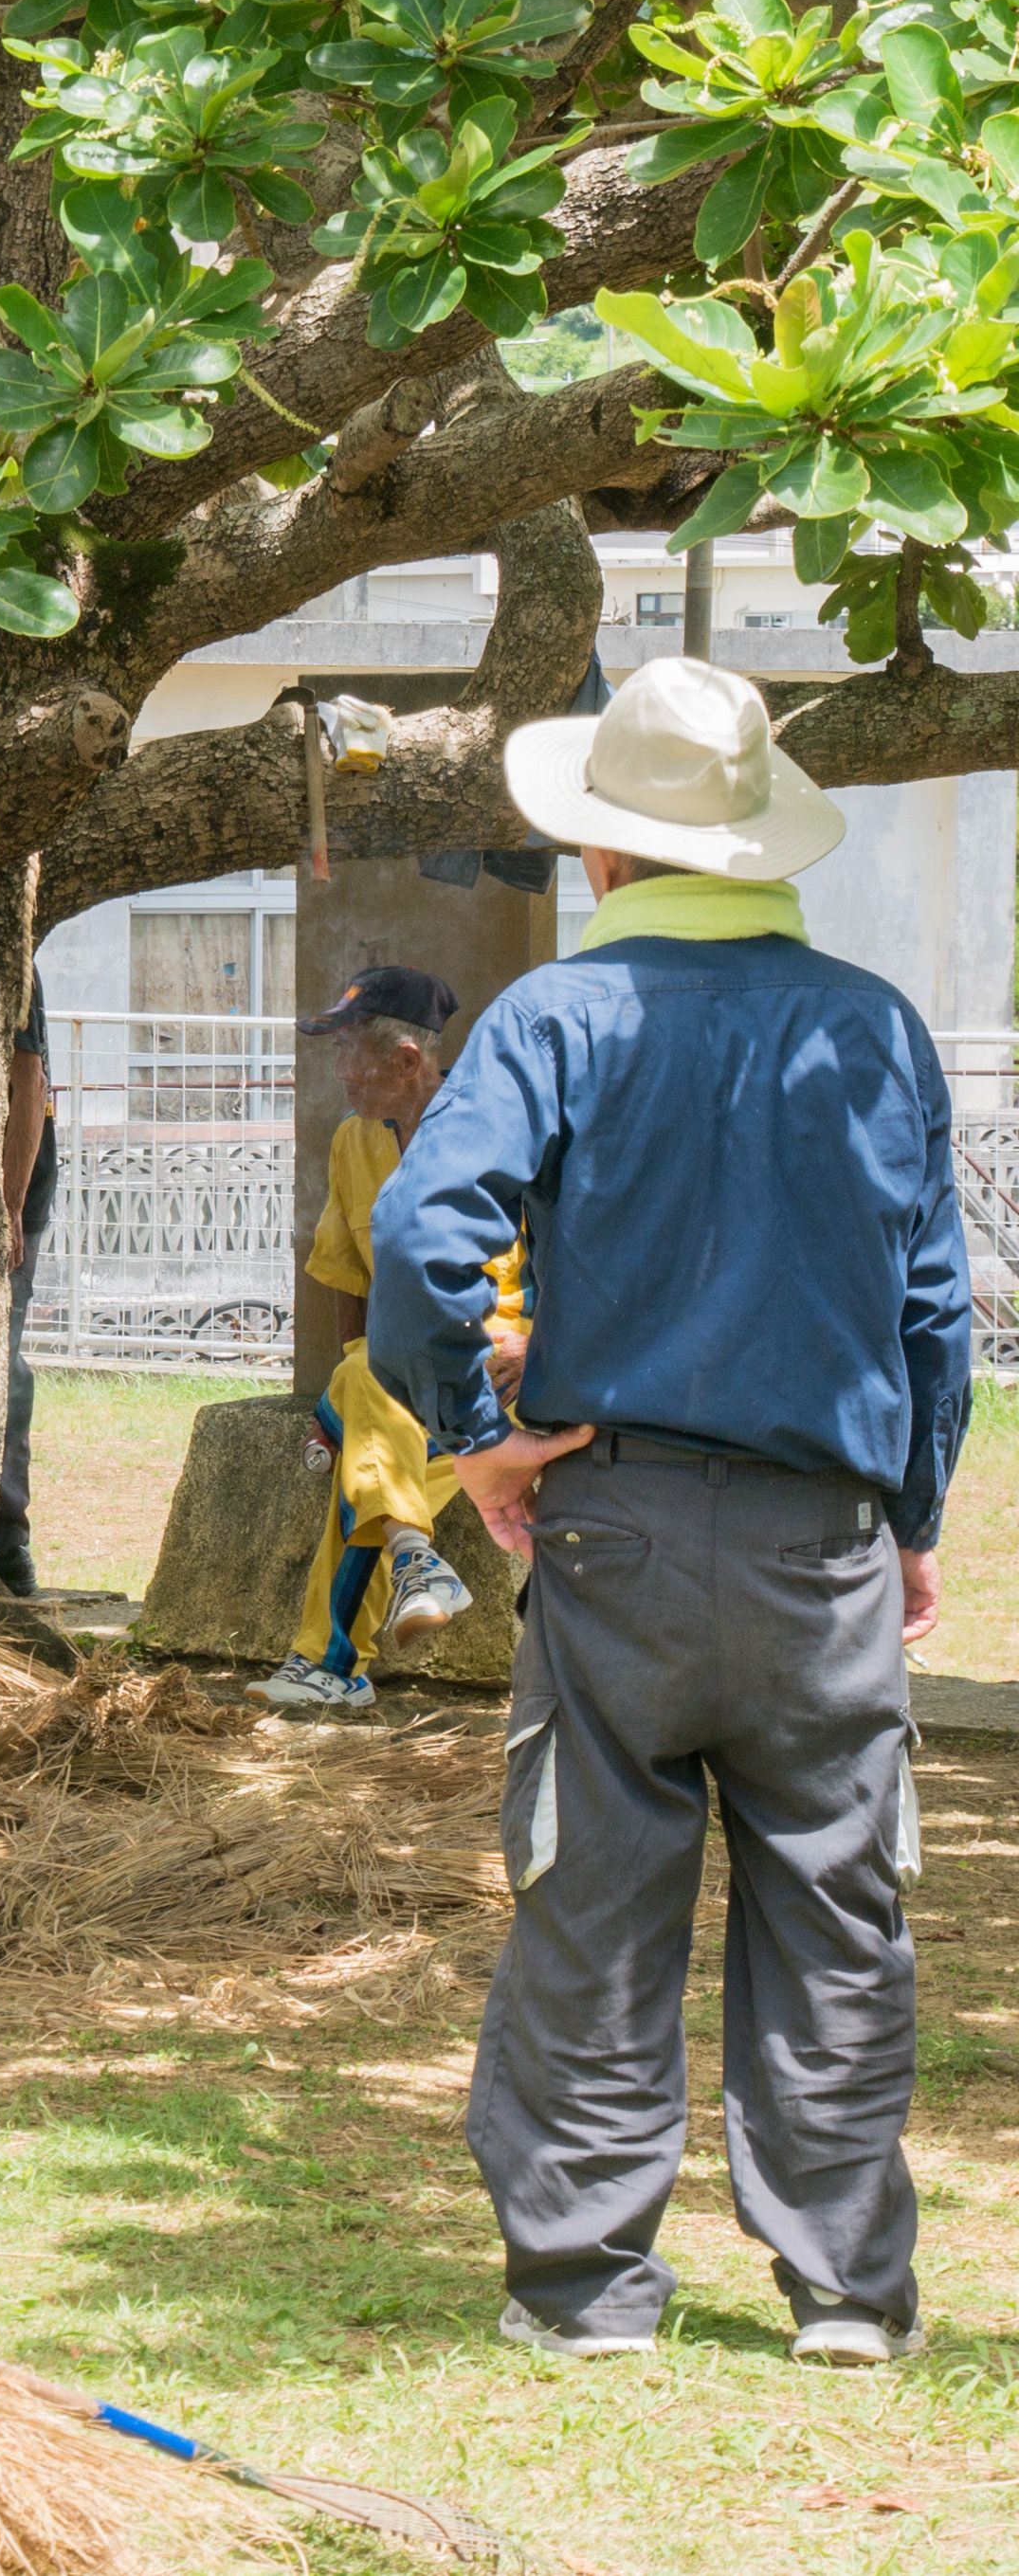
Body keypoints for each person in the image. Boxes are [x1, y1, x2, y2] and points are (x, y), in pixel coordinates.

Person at [370, 655, 972, 2369]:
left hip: (613, 1522)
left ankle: (581, 2284)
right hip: (821, 1535)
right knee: (838, 1906)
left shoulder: (555, 1016)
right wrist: (911, 1509)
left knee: (593, 1896)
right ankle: (843, 2288)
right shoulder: (873, 1026)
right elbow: (932, 1307)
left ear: (603, 851)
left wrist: (475, 1438)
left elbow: (421, 1238)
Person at [250, 969, 528, 1714]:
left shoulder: (497, 1132)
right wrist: (345, 1391)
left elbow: (571, 1257)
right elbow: (347, 1273)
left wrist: (542, 1351)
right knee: (368, 1390)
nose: (340, 1073)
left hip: (498, 1367)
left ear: (407, 1060)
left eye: (350, 1053)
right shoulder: (353, 1141)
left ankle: (331, 1664)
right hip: (405, 1370)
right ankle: (412, 1555)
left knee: (366, 1446)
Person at [0, 969, 57, 1597]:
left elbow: (27, 1080)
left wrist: (9, 1204)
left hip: (7, 1194)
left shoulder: (7, 956)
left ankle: (4, 1540)